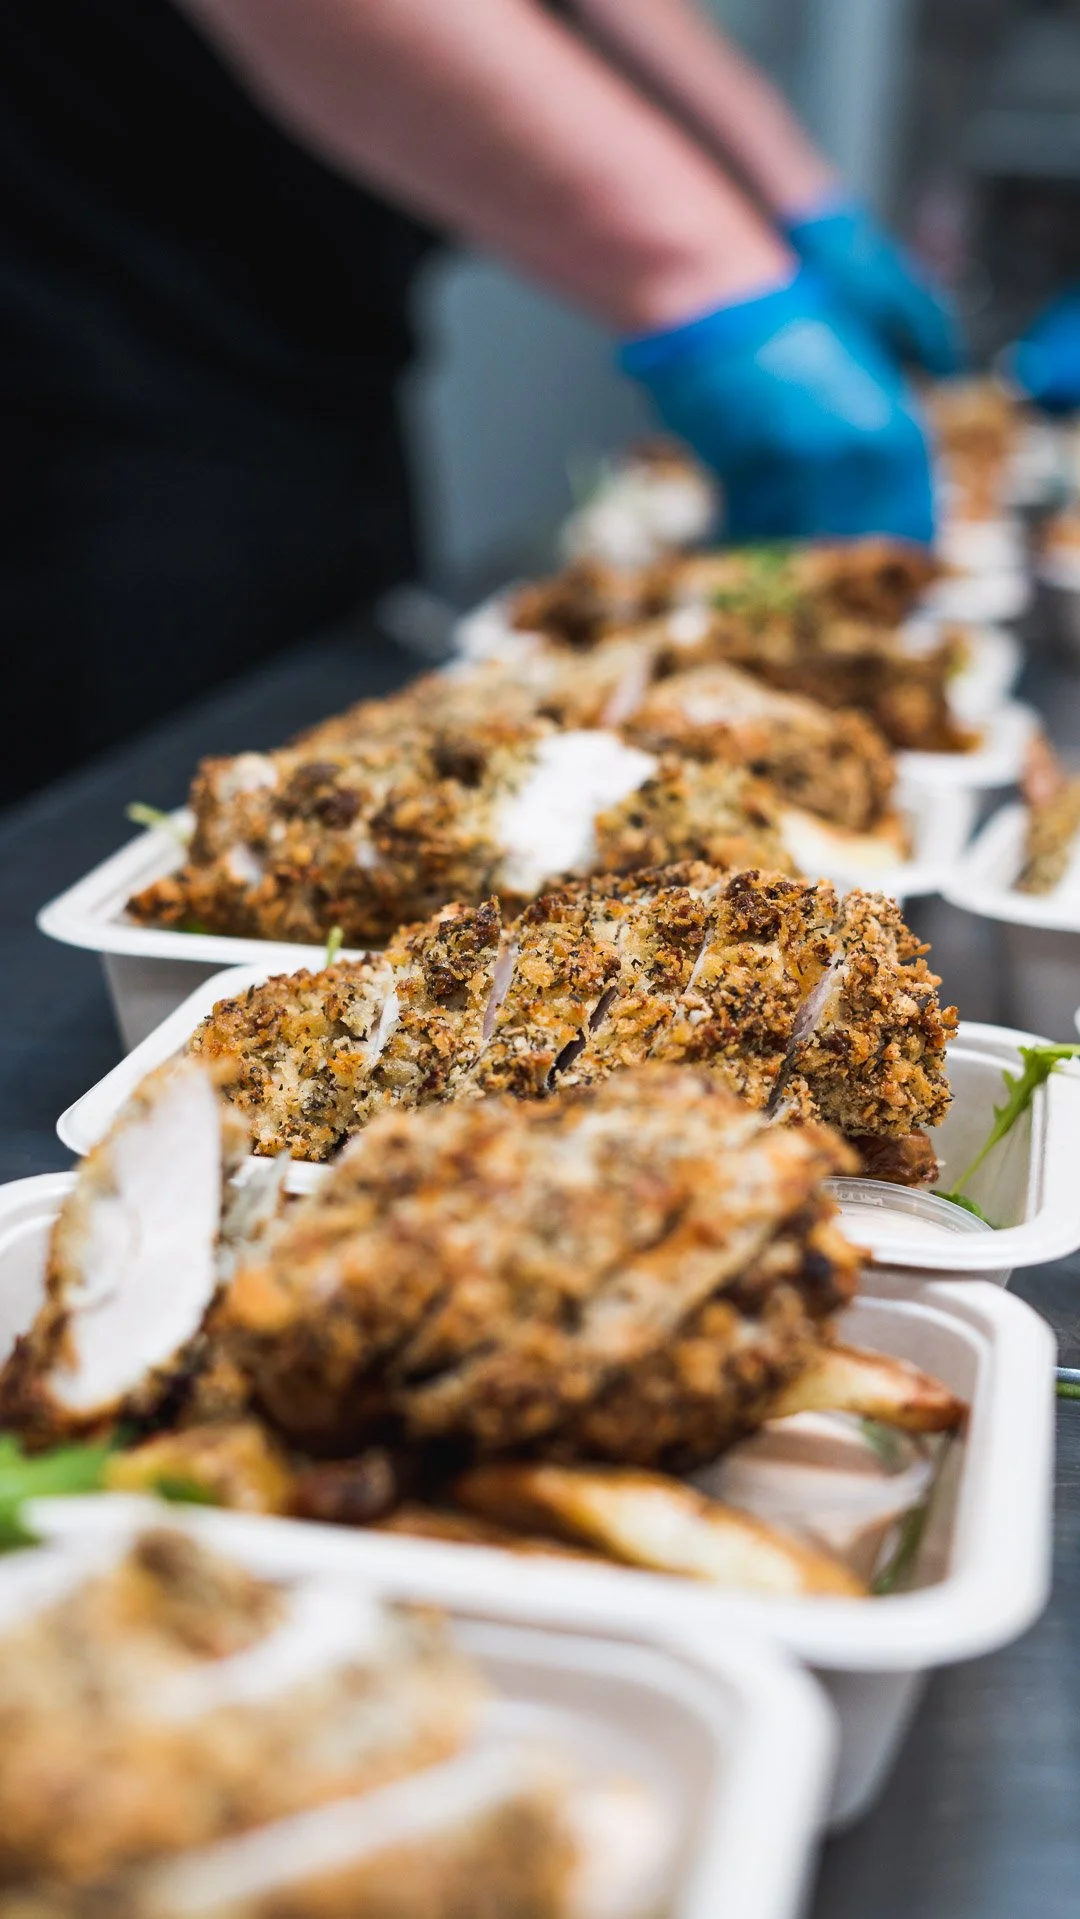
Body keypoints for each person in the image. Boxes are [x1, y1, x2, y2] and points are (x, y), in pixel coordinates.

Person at [0, 0, 960, 803]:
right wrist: (706, 277)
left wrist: (786, 185)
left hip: (310, 337)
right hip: (98, 319)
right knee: (125, 809)